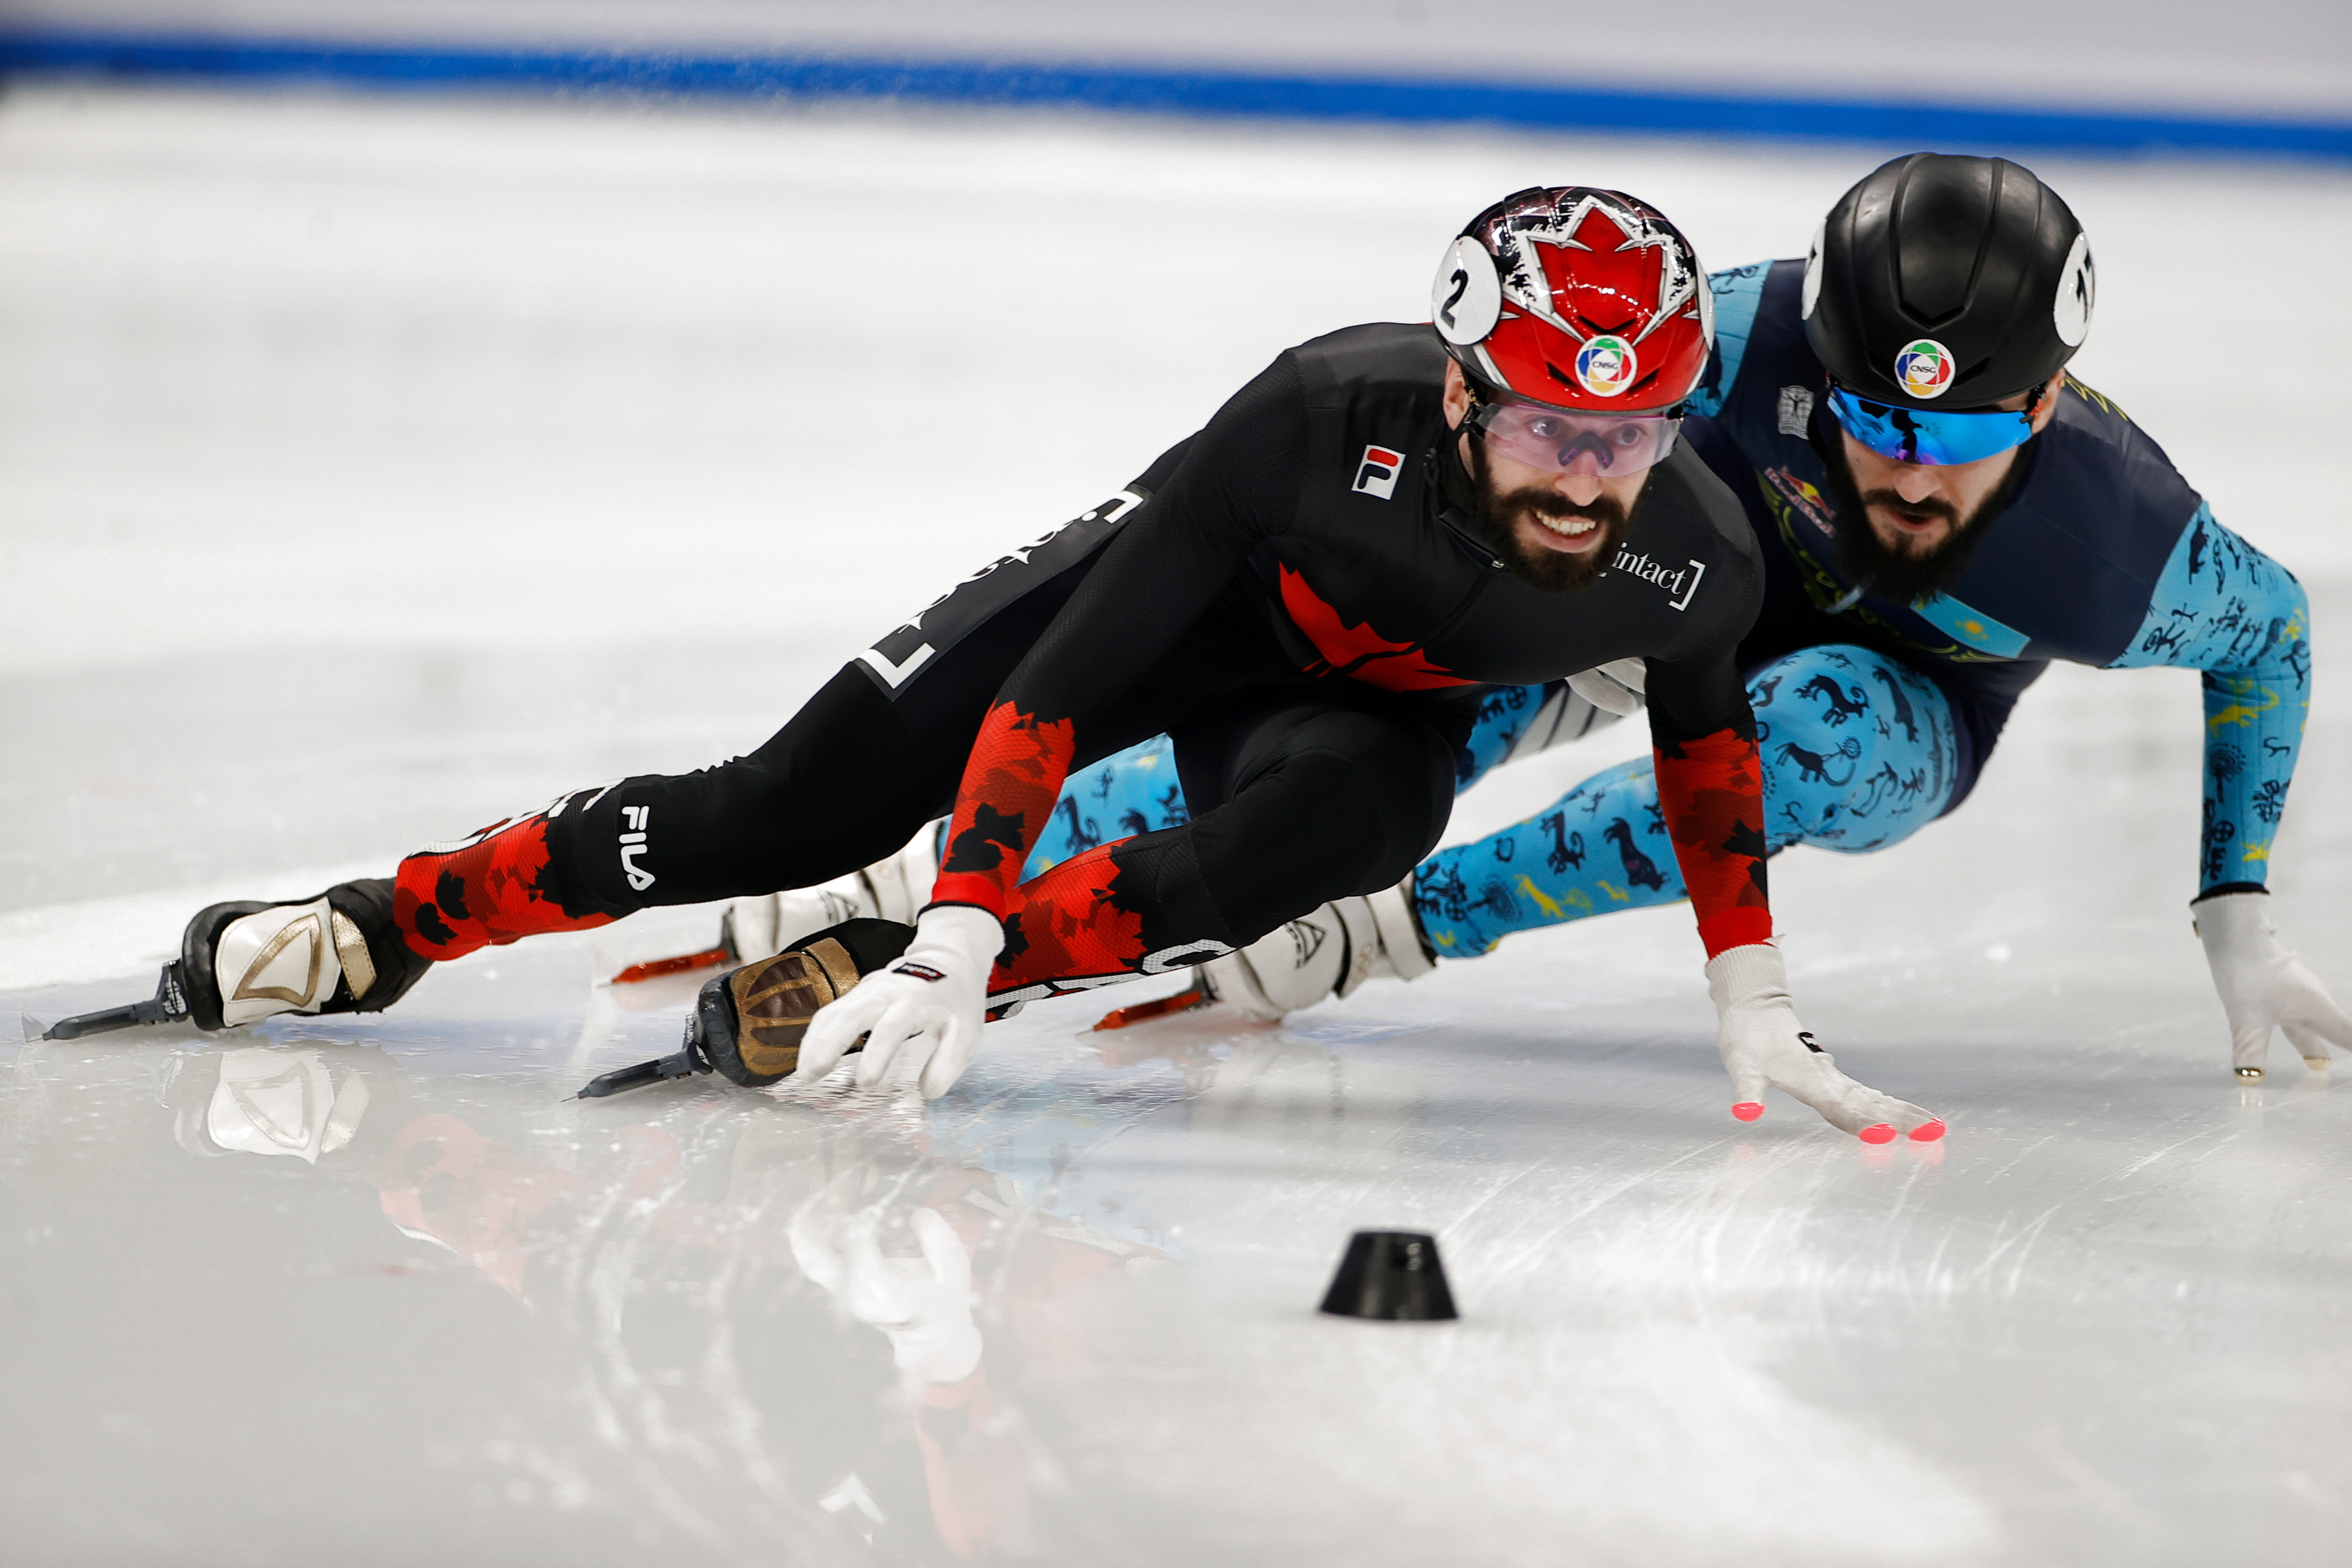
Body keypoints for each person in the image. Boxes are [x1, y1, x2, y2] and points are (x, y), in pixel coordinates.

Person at [52, 186, 1943, 1143]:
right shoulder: (1309, 417)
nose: (1595, 481)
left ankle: (902, 975)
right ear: (1459, 393)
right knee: (785, 806)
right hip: (1174, 602)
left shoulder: (1688, 546)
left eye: (1634, 436)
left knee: (1347, 828)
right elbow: (1064, 685)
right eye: (1550, 432)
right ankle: (393, 921)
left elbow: (1710, 763)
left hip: (1354, 707)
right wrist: (963, 903)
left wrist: (1749, 992)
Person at [867, 152, 2343, 1084]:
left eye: (1961, 445)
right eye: (1865, 417)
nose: (1905, 468)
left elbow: (2272, 640)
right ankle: (927, 870)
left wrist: (2234, 898)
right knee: (1467, 627)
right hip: (1664, 610)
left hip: (1907, 702)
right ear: (1811, 351)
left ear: (2046, 405)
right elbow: (1507, 415)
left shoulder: (2123, 545)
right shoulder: (1731, 331)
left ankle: (1387, 932)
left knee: (1814, 732)